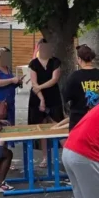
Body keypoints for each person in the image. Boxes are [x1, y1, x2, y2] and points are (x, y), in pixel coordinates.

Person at [28, 39, 64, 167]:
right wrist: (41, 99)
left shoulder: (55, 62)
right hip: (37, 97)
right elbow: (33, 83)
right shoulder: (33, 63)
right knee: (42, 128)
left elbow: (54, 79)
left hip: (53, 96)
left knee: (59, 125)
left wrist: (40, 87)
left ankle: (67, 155)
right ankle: (45, 158)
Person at [62, 44, 99, 129]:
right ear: (92, 59)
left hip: (78, 121)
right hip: (98, 120)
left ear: (79, 59)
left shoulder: (74, 77)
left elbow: (65, 96)